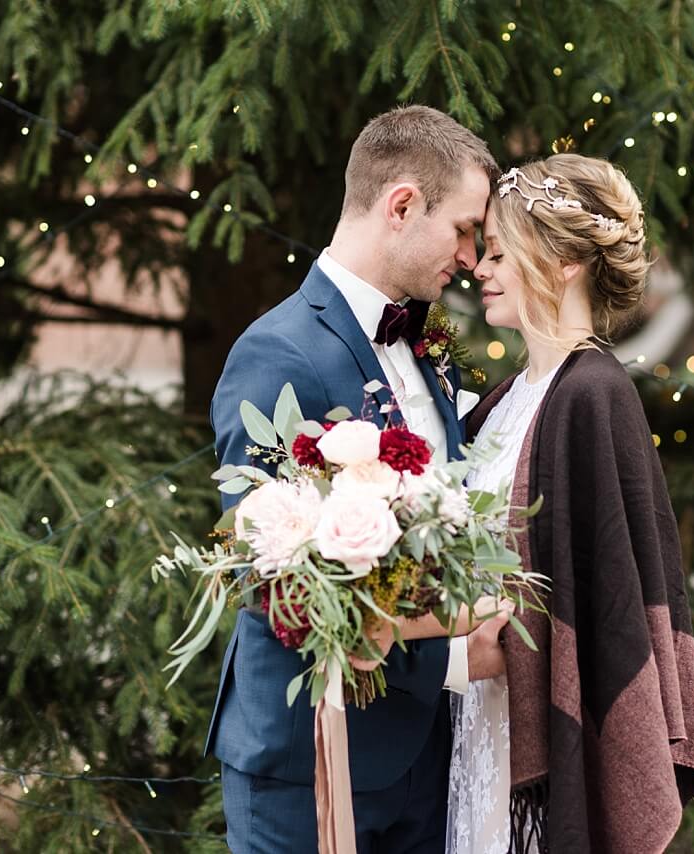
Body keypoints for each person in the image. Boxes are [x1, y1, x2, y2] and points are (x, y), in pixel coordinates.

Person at [206, 104, 510, 854]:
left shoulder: (428, 340)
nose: (473, 258)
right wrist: (452, 656)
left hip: (431, 762)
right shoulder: (277, 353)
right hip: (310, 757)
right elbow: (275, 580)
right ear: (402, 204)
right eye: (466, 229)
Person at [451, 154, 694, 853]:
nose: (479, 268)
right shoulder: (502, 404)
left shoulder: (593, 394)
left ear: (564, 260)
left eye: (500, 252)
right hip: (472, 725)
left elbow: (605, 602)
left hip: (532, 731)